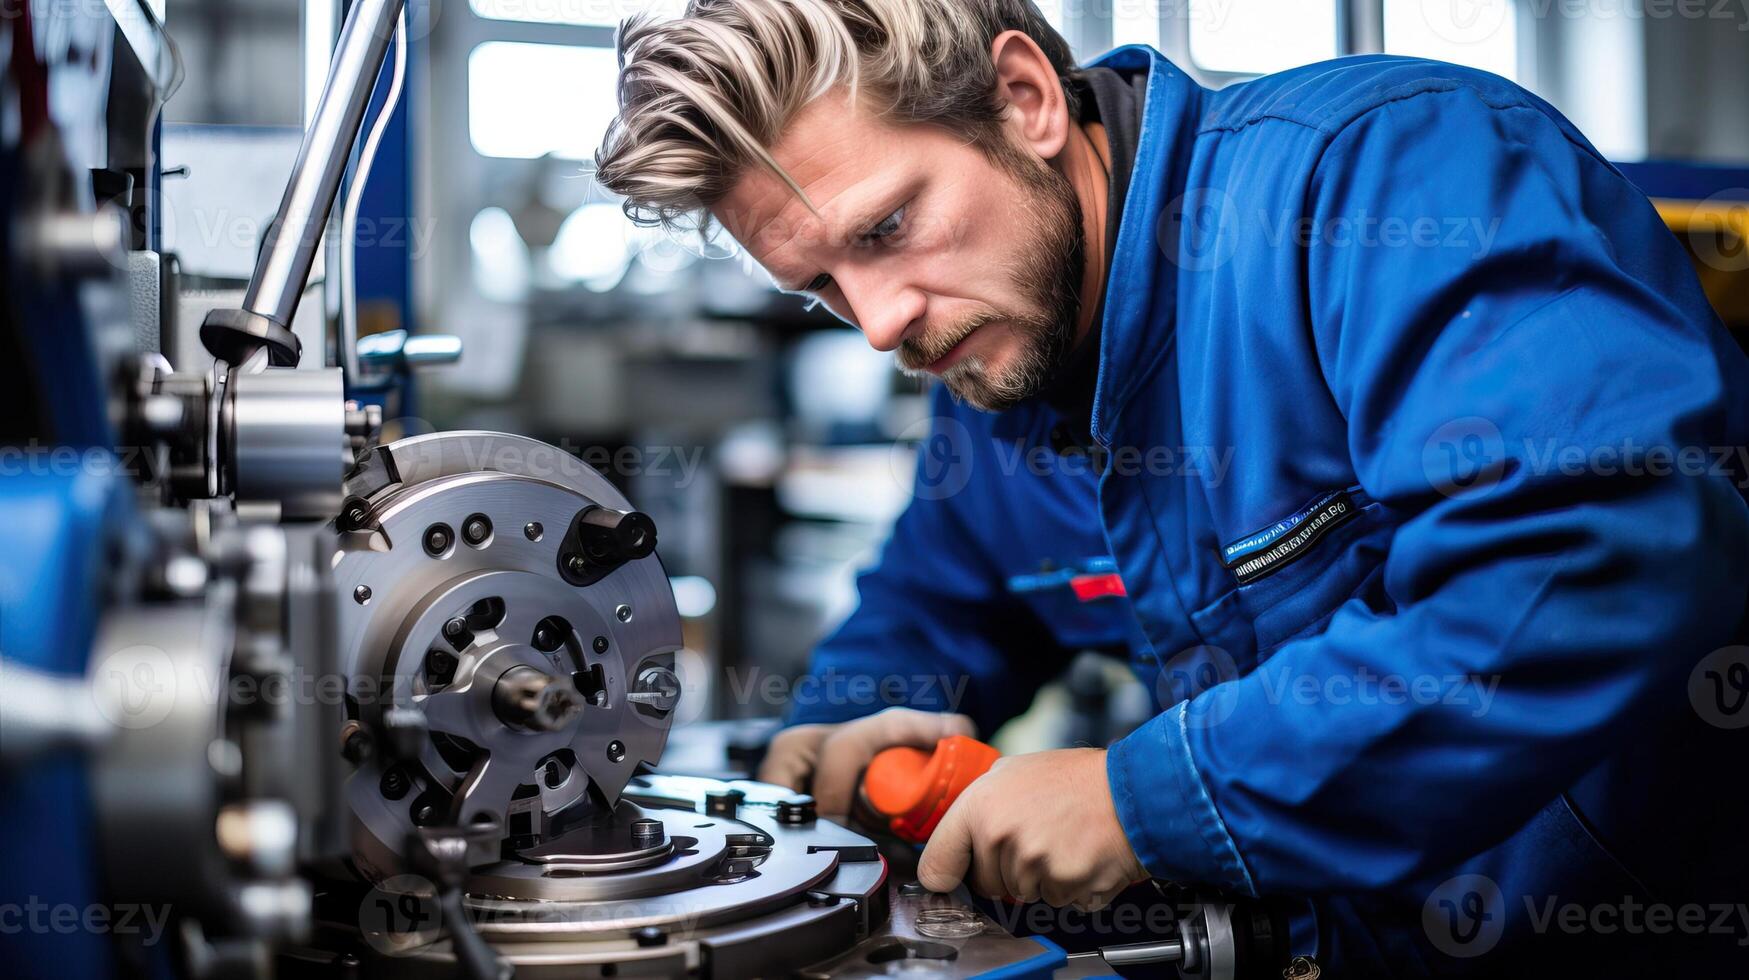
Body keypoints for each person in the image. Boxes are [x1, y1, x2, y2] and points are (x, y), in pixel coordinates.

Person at [596, 0, 1749, 971]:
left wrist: (1148, 797)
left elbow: (1589, 556)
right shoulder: (996, 367)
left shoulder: (1379, 180)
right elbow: (937, 603)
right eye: (826, 289)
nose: (882, 320)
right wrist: (837, 734)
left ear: (1025, 99)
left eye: (890, 225)